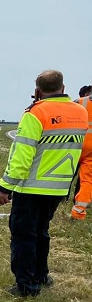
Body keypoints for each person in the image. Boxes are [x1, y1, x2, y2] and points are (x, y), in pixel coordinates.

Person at [0, 70, 87, 297]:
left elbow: (22, 156)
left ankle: (26, 286)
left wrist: (5, 188)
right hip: (59, 186)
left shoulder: (35, 113)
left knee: (24, 236)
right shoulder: (80, 112)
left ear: (37, 91)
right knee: (41, 232)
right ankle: (41, 275)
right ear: (63, 88)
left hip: (32, 186)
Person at [70, 88, 92, 219]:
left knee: (65, 173)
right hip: (91, 150)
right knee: (87, 180)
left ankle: (53, 200)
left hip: (76, 142)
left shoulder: (79, 102)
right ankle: (78, 211)